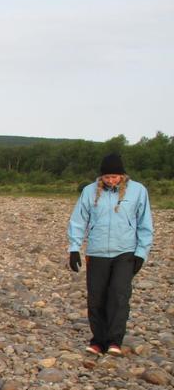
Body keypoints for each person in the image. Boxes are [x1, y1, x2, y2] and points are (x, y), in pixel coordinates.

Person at [67, 152, 153, 356]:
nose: (111, 180)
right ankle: (98, 341)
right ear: (101, 177)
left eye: (115, 177)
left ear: (122, 175)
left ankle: (114, 341)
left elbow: (145, 223)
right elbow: (78, 220)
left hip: (125, 252)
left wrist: (141, 252)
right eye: (107, 177)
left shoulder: (138, 191)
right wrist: (74, 249)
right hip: (96, 252)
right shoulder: (89, 191)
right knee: (96, 298)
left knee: (118, 295)